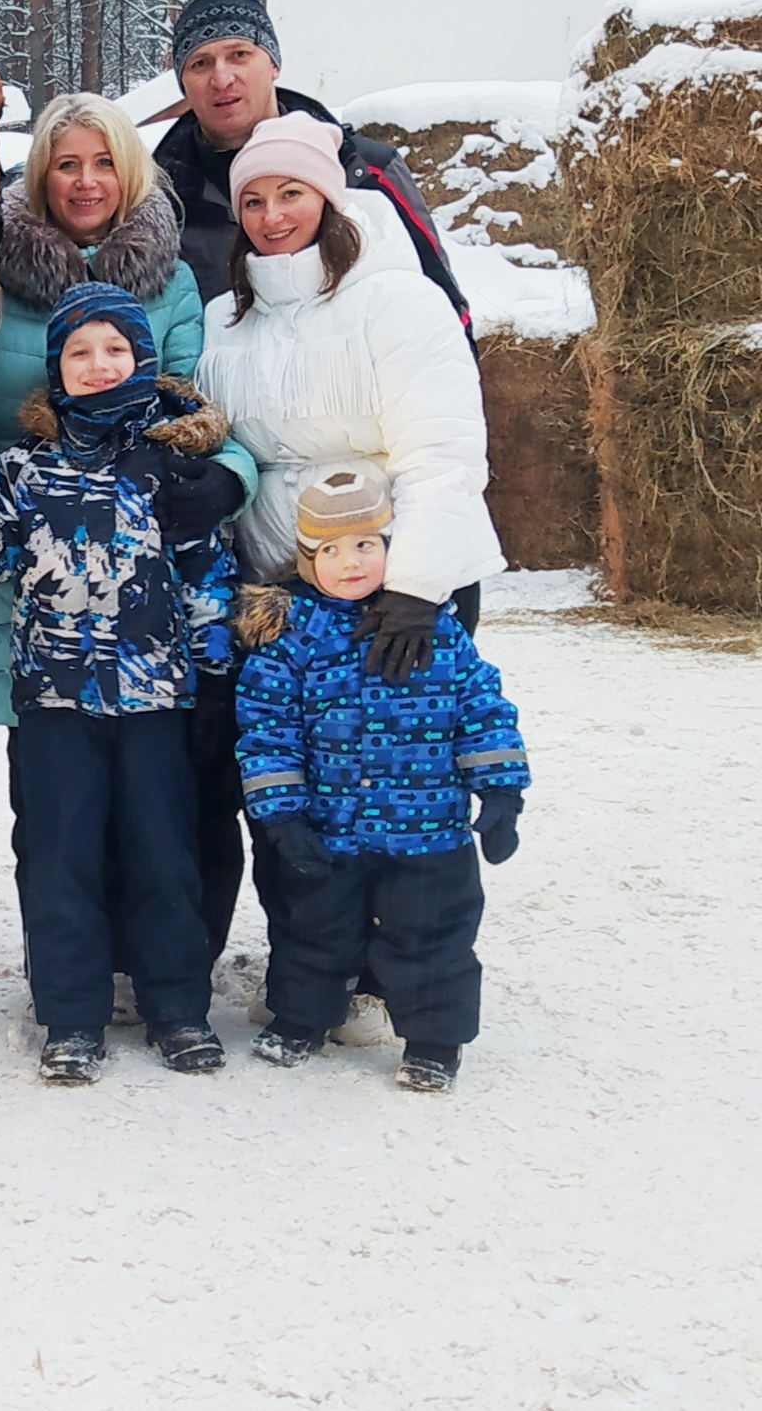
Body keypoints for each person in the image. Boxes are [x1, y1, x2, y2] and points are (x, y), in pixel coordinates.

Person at [0, 92, 257, 955]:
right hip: (34, 565)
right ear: (40, 174)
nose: (85, 181)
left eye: (104, 162)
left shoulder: (172, 279)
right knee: (52, 795)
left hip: (145, 578)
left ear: (130, 172)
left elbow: (196, 408)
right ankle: (71, 968)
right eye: (67, 164)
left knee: (156, 790)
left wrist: (227, 478)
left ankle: (156, 962)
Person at [0, 281, 236, 1086]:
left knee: (164, 855)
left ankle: (177, 1008)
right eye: (79, 352)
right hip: (55, 701)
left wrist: (213, 679)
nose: (99, 365)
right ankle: (70, 1014)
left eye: (115, 349)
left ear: (143, 358)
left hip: (156, 701)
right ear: (56, 369)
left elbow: (208, 577)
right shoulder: (23, 469)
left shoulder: (173, 465)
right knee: (61, 858)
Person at [234, 463, 529, 1094]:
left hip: (428, 832)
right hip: (330, 829)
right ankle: (301, 1019)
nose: (350, 562)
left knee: (434, 936)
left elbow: (482, 710)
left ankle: (434, 1041)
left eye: (366, 544)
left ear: (392, 547)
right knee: (314, 930)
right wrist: (282, 816)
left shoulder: (438, 629)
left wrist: (502, 790)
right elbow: (267, 731)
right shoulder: (291, 638)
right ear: (307, 560)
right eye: (329, 550)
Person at [196, 112, 503, 661]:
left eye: (291, 193)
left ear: (328, 197)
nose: (272, 216)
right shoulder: (225, 319)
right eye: (253, 201)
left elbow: (441, 451)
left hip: (396, 592)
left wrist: (415, 585)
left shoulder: (399, 301)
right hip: (284, 599)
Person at [153, 0, 468, 321]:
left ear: (273, 64)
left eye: (239, 55)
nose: (222, 79)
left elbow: (442, 304)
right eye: (200, 64)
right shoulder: (159, 201)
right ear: (183, 84)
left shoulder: (363, 168)